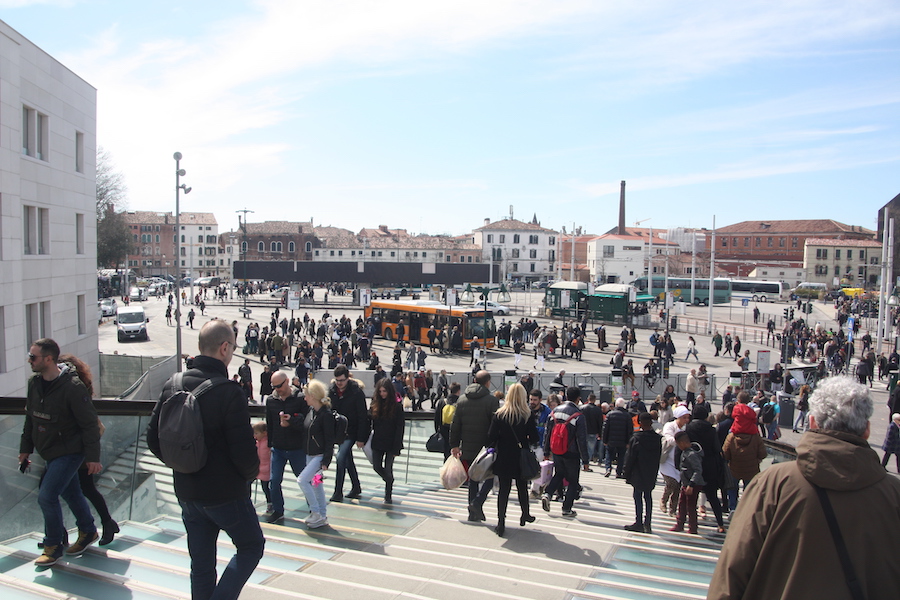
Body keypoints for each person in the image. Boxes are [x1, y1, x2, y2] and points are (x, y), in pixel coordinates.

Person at [708, 376, 900, 599]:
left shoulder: (773, 485)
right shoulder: (893, 495)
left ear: (812, 422)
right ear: (866, 430)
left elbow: (732, 573)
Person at [147, 320, 264, 600]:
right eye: (233, 348)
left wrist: (184, 463)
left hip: (187, 492)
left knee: (201, 565)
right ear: (224, 348)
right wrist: (248, 475)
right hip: (225, 494)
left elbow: (153, 440)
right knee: (251, 546)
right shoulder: (229, 392)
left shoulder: (172, 384)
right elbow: (244, 453)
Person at [20, 340, 103, 566]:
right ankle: (87, 530)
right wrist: (25, 448)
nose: (29, 361)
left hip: (70, 451)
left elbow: (89, 424)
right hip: (49, 451)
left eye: (33, 357)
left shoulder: (72, 387)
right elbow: (31, 418)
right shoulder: (34, 383)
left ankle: (53, 546)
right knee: (71, 493)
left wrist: (93, 458)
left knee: (47, 496)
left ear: (48, 359)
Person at [487, 383, 539, 536]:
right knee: (522, 487)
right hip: (520, 456)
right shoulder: (527, 414)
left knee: (504, 490)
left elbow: (491, 436)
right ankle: (525, 514)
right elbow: (535, 438)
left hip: (503, 456)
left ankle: (501, 522)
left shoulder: (499, 414)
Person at [450, 370, 500, 522]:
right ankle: (477, 502)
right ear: (487, 383)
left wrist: (454, 445)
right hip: (486, 447)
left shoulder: (462, 399)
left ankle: (473, 512)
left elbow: (455, 425)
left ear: (474, 380)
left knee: (473, 478)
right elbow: (495, 425)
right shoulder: (491, 401)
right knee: (491, 475)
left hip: (467, 446)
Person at [263, 370, 308, 523]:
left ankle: (314, 507)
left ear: (287, 381)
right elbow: (270, 423)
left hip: (297, 448)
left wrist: (292, 422)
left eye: (279, 386)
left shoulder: (301, 398)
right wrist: (269, 445)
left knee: (306, 480)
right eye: (274, 386)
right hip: (279, 448)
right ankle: (278, 510)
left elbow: (307, 423)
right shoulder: (271, 401)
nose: (277, 389)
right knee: (274, 481)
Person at [541, 387, 589, 517]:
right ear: (578, 399)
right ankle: (566, 508)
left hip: (556, 450)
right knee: (573, 481)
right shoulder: (578, 415)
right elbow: (582, 440)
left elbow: (548, 433)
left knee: (559, 474)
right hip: (572, 453)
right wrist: (585, 460)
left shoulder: (554, 412)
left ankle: (548, 493)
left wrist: (546, 451)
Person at [297, 380, 335, 528]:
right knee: (316, 484)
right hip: (310, 454)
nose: (304, 398)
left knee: (302, 480)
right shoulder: (312, 411)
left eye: (306, 395)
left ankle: (316, 512)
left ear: (312, 396)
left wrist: (326, 460)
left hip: (318, 457)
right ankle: (322, 515)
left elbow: (329, 439)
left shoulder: (325, 415)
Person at [328, 365, 368, 502]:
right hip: (338, 432)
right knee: (347, 459)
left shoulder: (356, 392)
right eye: (337, 380)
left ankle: (338, 491)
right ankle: (356, 486)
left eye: (342, 380)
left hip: (351, 431)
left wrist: (361, 438)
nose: (339, 383)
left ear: (348, 378)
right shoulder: (332, 391)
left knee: (340, 458)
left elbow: (363, 416)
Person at [685, 404, 726, 533]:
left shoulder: (689, 428)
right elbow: (716, 448)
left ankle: (692, 525)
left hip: (693, 463)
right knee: (712, 496)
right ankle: (720, 524)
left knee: (692, 496)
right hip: (709, 464)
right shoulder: (711, 429)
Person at [623, 412, 662, 533]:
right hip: (651, 471)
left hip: (638, 471)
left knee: (638, 496)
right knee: (648, 496)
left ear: (640, 423)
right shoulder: (657, 439)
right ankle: (648, 523)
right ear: (651, 423)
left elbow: (630, 457)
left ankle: (639, 522)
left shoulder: (636, 438)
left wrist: (626, 471)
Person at [369, 378, 404, 503]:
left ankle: (388, 495)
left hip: (391, 441)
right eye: (380, 391)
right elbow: (369, 420)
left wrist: (397, 446)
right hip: (378, 440)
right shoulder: (375, 404)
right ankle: (389, 480)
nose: (382, 394)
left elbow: (400, 427)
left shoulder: (397, 406)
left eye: (384, 391)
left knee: (388, 468)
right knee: (377, 466)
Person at [669, 431, 704, 534]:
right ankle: (680, 524)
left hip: (693, 484)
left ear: (683, 442)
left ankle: (693, 528)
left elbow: (698, 470)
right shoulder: (686, 452)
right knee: (682, 504)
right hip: (686, 483)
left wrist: (691, 484)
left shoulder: (691, 454)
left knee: (691, 506)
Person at [659, 406, 691, 518]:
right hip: (667, 459)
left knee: (678, 486)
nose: (686, 420)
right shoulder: (670, 426)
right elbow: (669, 439)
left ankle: (673, 508)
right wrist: (682, 441)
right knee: (671, 482)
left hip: (679, 461)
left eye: (687, 418)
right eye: (684, 418)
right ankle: (663, 500)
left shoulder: (687, 428)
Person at [602, 397, 632, 478]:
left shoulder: (610, 414)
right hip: (622, 441)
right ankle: (618, 472)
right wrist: (628, 442)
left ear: (616, 405)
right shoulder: (627, 416)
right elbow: (629, 430)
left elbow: (605, 428)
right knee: (621, 456)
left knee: (608, 454)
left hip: (611, 440)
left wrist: (604, 440)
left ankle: (608, 468)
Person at [434, 382, 460, 460]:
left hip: (443, 431)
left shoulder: (442, 401)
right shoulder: (459, 402)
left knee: (446, 455)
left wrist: (437, 431)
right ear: (458, 391)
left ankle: (446, 470)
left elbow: (437, 418)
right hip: (456, 433)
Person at [252, 422, 272, 513]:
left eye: (256, 433)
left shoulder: (268, 443)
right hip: (257, 468)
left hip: (266, 469)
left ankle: (270, 503)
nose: (254, 435)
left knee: (266, 487)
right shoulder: (257, 443)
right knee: (247, 482)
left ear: (264, 433)